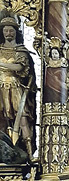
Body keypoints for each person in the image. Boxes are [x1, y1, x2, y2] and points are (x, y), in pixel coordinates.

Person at [0, 16, 36, 158]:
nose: (8, 33)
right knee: (2, 119)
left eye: (11, 31)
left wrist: (2, 65)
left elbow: (20, 67)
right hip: (0, 88)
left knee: (22, 119)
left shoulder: (20, 50)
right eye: (6, 31)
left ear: (16, 33)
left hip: (15, 87)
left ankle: (28, 151)